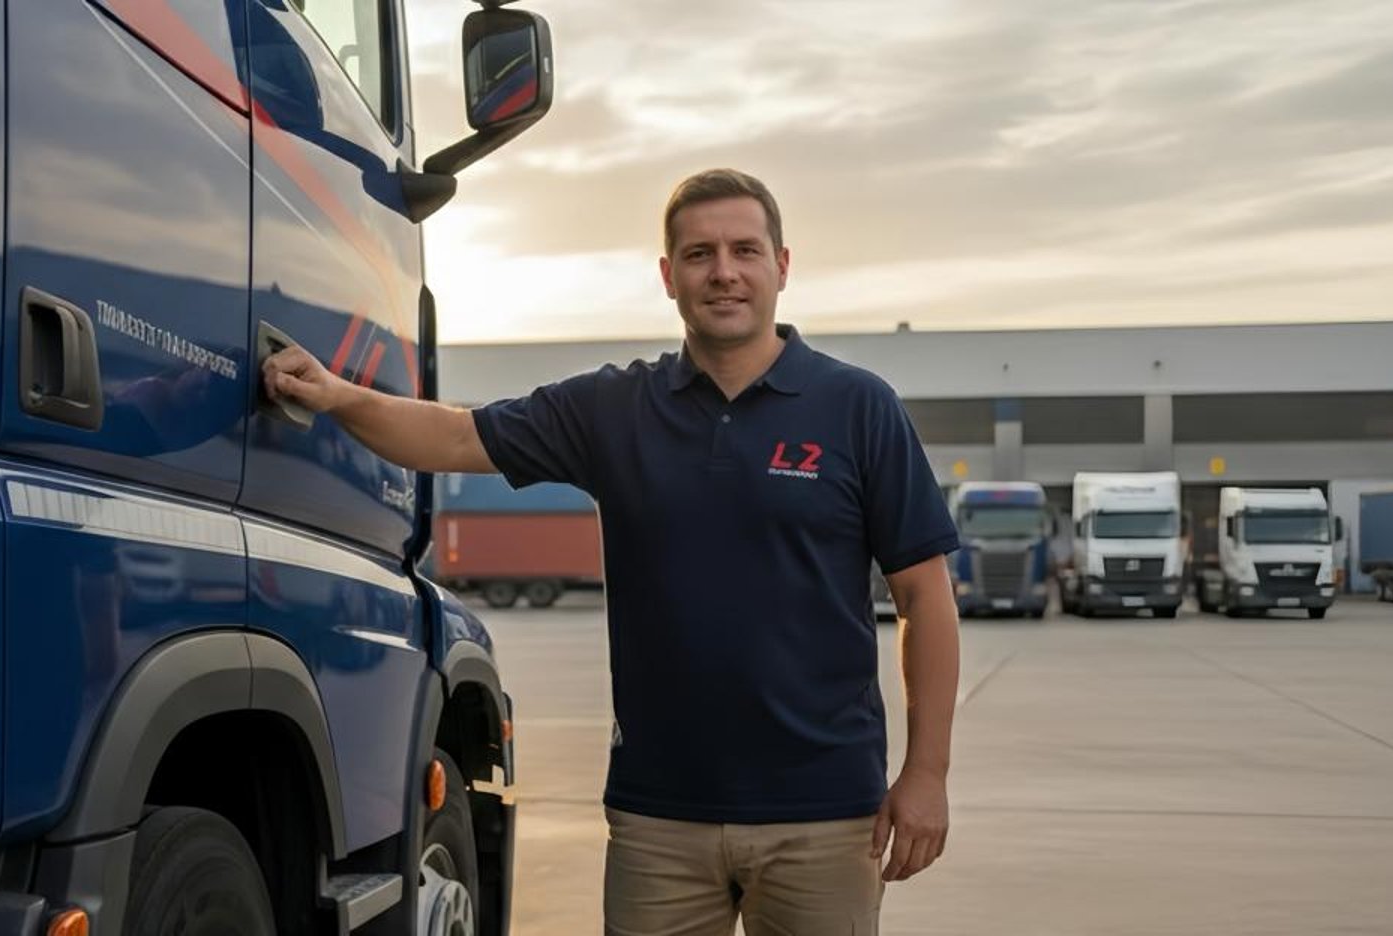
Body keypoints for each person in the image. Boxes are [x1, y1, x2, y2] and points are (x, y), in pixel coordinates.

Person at [265, 168, 960, 935]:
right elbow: (457, 435)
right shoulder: (614, 409)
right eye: (698, 254)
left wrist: (926, 773)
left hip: (827, 817)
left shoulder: (859, 408)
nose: (723, 272)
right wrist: (336, 396)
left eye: (744, 250)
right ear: (669, 276)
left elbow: (926, 597)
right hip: (659, 818)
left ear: (782, 266)